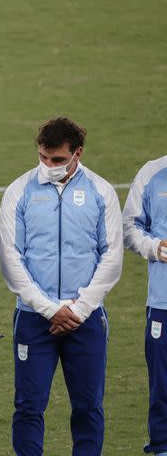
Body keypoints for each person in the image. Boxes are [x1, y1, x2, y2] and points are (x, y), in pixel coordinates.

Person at [0, 117, 122, 456]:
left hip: (85, 319)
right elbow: (11, 259)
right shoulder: (18, 191)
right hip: (35, 318)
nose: (47, 165)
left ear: (77, 153)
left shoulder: (101, 192)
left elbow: (112, 257)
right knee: (27, 406)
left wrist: (78, 309)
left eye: (56, 159)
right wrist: (51, 308)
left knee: (88, 407)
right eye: (42, 157)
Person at [123, 155, 167, 456]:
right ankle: (162, 447)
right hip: (163, 302)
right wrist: (154, 246)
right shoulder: (152, 173)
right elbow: (129, 227)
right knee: (162, 385)